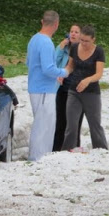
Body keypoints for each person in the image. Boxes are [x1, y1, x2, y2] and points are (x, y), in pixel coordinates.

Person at [26, 10, 69, 161]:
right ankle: (38, 158)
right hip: (44, 90)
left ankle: (37, 156)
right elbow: (48, 68)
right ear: (56, 24)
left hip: (35, 87)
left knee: (41, 123)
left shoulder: (34, 39)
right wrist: (64, 72)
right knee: (44, 126)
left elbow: (29, 63)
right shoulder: (46, 42)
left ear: (42, 21)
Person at [61, 25, 108, 151]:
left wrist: (87, 80)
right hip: (74, 91)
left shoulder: (99, 51)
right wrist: (62, 74)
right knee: (71, 125)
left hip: (92, 93)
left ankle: (101, 151)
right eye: (82, 40)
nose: (83, 43)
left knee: (95, 124)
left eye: (86, 41)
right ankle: (67, 151)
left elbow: (99, 73)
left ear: (93, 39)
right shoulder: (75, 47)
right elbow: (70, 66)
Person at [53, 24, 84, 151]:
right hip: (61, 89)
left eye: (76, 32)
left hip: (77, 91)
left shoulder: (84, 50)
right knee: (60, 121)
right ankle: (56, 148)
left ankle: (73, 147)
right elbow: (54, 61)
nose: (73, 34)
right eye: (71, 31)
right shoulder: (65, 49)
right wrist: (60, 48)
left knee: (74, 122)